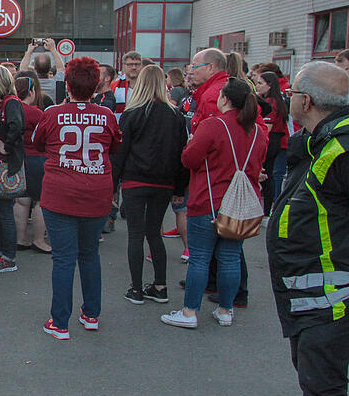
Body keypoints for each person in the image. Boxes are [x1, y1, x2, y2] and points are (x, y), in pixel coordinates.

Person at [263, 61, 349, 396]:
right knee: (316, 383)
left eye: (291, 91)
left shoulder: (341, 148)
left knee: (327, 389)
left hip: (330, 291)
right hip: (308, 287)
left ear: (306, 100)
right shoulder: (322, 141)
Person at [161, 77, 266, 329]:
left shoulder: (213, 125)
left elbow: (189, 159)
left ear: (225, 99)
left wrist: (188, 146)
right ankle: (226, 310)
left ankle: (189, 312)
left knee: (200, 258)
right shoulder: (257, 131)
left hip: (208, 200)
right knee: (230, 257)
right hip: (240, 205)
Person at [34, 57, 121, 339]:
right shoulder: (107, 114)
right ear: (97, 84)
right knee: (89, 254)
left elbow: (38, 142)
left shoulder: (52, 113)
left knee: (63, 258)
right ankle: (91, 314)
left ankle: (60, 322)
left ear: (67, 84)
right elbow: (115, 144)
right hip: (96, 191)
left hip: (60, 191)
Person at [110, 65, 188, 305]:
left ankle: (135, 289)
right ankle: (160, 286)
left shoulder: (133, 114)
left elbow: (120, 153)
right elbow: (181, 154)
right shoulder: (176, 116)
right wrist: (179, 189)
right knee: (154, 233)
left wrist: (112, 186)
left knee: (135, 234)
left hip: (135, 179)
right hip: (164, 182)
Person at [0, 65, 25, 273]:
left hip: (6, 164)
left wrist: (7, 147)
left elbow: (17, 126)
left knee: (4, 212)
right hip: (0, 162)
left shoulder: (10, 103)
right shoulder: (4, 103)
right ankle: (3, 251)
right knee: (1, 212)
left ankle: (8, 256)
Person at [12, 71, 50, 253]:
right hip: (37, 158)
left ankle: (21, 239)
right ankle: (38, 240)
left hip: (17, 158)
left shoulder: (10, 109)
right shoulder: (37, 113)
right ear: (32, 91)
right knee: (40, 201)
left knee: (21, 201)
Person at [257, 71, 289, 214]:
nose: (257, 86)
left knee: (264, 174)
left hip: (270, 140)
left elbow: (266, 129)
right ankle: (267, 209)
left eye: (260, 83)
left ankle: (265, 210)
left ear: (269, 85)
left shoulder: (271, 103)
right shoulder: (278, 100)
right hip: (276, 140)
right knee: (268, 174)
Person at [189, 48, 230, 132]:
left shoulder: (213, 95)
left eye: (195, 66)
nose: (191, 71)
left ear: (211, 67)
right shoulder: (227, 85)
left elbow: (213, 134)